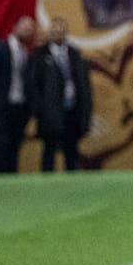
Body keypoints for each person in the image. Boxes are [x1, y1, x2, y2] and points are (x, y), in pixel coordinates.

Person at [30, 18, 93, 172]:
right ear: (49, 33)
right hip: (50, 113)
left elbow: (84, 85)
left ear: (65, 32)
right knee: (49, 151)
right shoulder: (40, 55)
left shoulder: (74, 54)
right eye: (54, 30)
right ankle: (47, 183)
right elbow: (33, 85)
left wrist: (85, 110)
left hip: (72, 110)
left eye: (60, 30)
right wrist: (41, 109)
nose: (57, 32)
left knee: (71, 152)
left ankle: (72, 183)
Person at [0, 16, 36, 173]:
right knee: (0, 143)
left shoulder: (28, 53)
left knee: (15, 143)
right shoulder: (0, 48)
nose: (27, 30)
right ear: (14, 27)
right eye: (24, 26)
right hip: (1, 105)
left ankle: (12, 175)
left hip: (20, 106)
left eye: (30, 28)